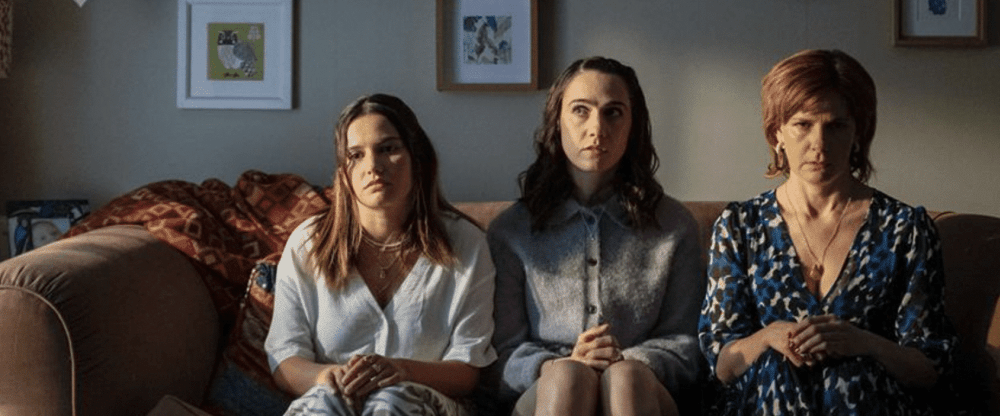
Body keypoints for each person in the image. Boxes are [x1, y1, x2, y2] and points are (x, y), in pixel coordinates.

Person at [698, 49, 962, 415]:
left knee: (850, 374)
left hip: (868, 399)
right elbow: (722, 366)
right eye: (803, 124)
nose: (819, 144)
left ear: (858, 133)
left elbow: (930, 367)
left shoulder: (906, 230)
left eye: (836, 126)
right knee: (777, 365)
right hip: (767, 400)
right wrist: (769, 336)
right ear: (777, 133)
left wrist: (863, 342)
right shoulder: (740, 227)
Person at [488, 56, 705, 416]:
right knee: (569, 378)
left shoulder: (674, 225)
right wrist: (562, 364)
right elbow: (500, 354)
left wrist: (623, 360)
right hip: (545, 390)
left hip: (644, 386)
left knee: (625, 379)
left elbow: (687, 344)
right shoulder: (511, 230)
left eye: (613, 112)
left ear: (633, 126)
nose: (597, 128)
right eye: (580, 111)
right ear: (556, 121)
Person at [265, 93, 496, 415]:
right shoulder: (308, 244)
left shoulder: (466, 244)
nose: (373, 166)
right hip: (331, 401)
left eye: (388, 149)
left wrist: (403, 370)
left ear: (417, 156)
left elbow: (468, 370)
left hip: (427, 402)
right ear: (343, 171)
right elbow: (285, 358)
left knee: (391, 401)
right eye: (355, 155)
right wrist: (330, 376)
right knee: (324, 402)